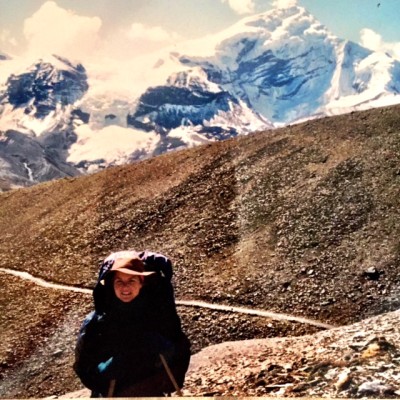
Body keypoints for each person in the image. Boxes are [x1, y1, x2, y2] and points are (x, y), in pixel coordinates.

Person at [73, 250, 191, 397]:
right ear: (111, 284)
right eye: (119, 281)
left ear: (142, 283)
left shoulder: (158, 315)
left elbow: (181, 351)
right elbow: (84, 366)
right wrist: (106, 369)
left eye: (131, 281)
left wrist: (164, 349)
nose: (125, 287)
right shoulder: (97, 323)